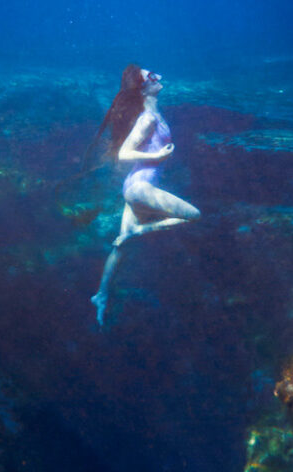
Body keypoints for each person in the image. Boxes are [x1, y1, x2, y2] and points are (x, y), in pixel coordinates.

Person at [89, 64, 201, 325]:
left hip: (135, 187)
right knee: (194, 215)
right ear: (143, 87)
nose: (159, 76)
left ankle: (101, 295)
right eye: (151, 76)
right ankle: (139, 231)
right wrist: (156, 155)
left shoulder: (152, 112)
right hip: (140, 189)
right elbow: (124, 154)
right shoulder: (147, 119)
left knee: (121, 249)